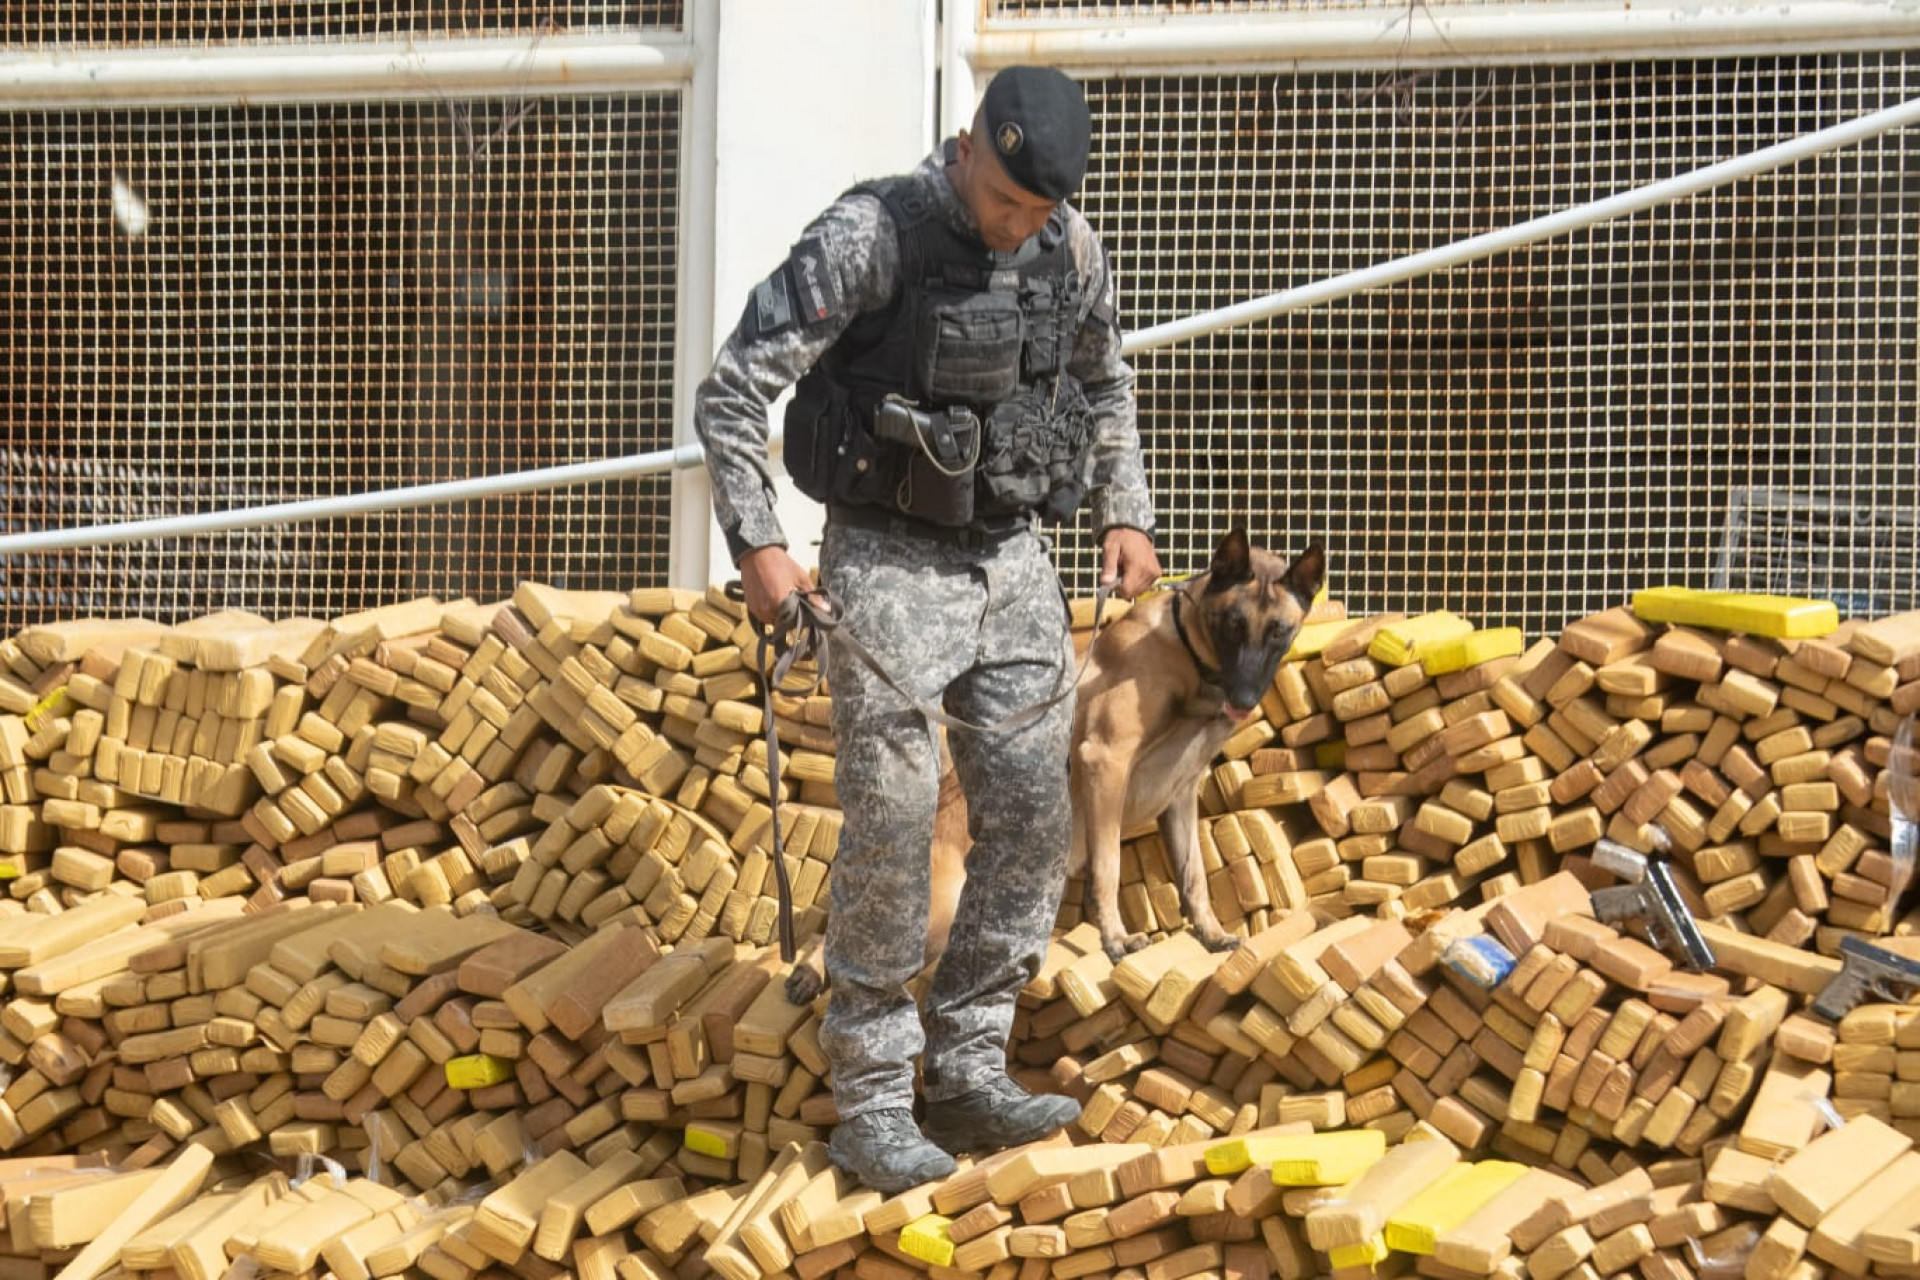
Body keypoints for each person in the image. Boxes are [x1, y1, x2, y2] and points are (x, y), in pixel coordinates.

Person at [692, 64, 1162, 1193]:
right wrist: (759, 541)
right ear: (966, 149)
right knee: (898, 820)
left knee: (1034, 811)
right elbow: (734, 388)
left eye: (1037, 212)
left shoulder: (1070, 249)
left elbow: (1104, 383)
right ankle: (870, 1094)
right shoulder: (873, 234)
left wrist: (1127, 512)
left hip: (1012, 559)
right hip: (890, 556)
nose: (1017, 227)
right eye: (1004, 201)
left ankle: (966, 1064)